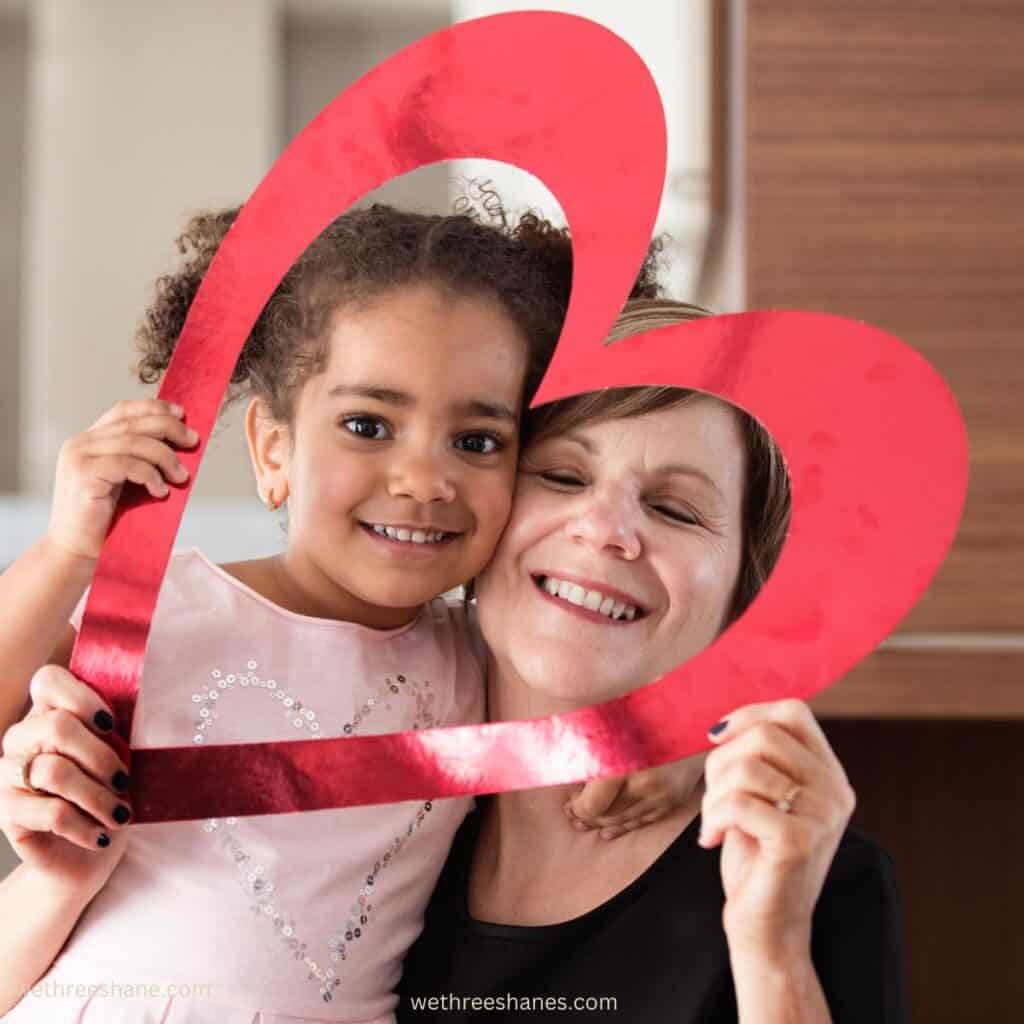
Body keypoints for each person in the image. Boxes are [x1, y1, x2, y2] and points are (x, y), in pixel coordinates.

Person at [0, 203, 675, 1022]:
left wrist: (678, 758)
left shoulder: (483, 659)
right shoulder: (166, 609)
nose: (424, 479)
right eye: (367, 425)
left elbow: (609, 717)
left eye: (477, 441)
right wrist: (66, 550)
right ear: (273, 451)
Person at [396, 301, 906, 1022]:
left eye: (675, 509)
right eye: (564, 477)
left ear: (744, 596)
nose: (605, 530)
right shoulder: (380, 828)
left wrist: (773, 949)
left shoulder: (807, 876)